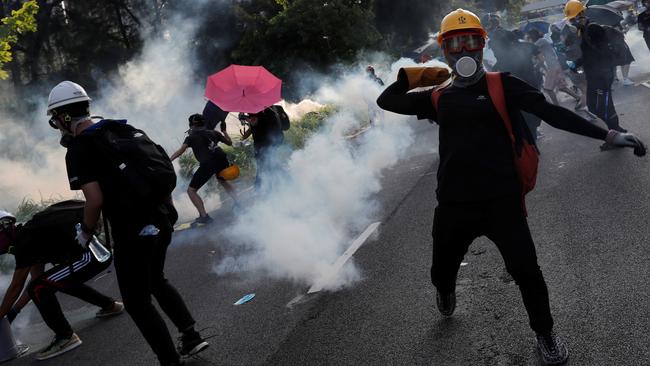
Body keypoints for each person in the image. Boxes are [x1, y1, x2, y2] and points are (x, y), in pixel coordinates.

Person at [375, 8, 646, 366]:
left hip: (502, 201)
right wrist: (417, 75)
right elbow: (387, 100)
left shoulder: (503, 85)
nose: (463, 50)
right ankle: (446, 290)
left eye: (471, 41)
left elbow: (554, 113)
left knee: (528, 272)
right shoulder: (438, 96)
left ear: (481, 45)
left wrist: (609, 133)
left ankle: (545, 334)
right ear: (445, 51)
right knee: (441, 271)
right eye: (455, 44)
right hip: (454, 205)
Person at [46, 81, 209, 366]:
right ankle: (191, 335)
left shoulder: (80, 148)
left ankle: (170, 361)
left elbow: (94, 200)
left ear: (64, 117)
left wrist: (85, 232)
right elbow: (156, 169)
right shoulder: (121, 128)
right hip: (160, 219)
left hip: (132, 231)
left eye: (55, 119)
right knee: (156, 280)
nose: (57, 125)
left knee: (136, 301)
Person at [0, 205, 123, 361]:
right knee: (51, 282)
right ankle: (111, 306)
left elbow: (16, 287)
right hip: (96, 253)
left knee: (41, 286)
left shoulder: (24, 241)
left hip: (91, 257)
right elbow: (37, 278)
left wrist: (0, 315)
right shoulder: (29, 234)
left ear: (3, 229)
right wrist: (13, 312)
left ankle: (65, 337)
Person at [565, 1, 629, 142]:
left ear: (582, 14)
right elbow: (589, 54)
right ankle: (616, 129)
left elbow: (602, 52)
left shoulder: (593, 28)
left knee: (604, 107)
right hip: (594, 74)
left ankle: (616, 135)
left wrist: (596, 65)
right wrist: (576, 63)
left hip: (602, 75)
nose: (572, 22)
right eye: (571, 20)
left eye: (573, 18)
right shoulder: (584, 30)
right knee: (594, 107)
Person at [170, 113, 238, 225]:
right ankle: (238, 203)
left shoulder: (190, 137)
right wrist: (224, 131)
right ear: (203, 123)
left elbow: (181, 151)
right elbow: (229, 143)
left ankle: (204, 216)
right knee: (223, 181)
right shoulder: (213, 133)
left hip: (208, 164)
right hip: (221, 159)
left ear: (191, 125)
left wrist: (169, 160)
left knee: (191, 191)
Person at [526, 29, 581, 105]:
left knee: (548, 89)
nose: (528, 37)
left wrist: (527, 42)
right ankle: (577, 97)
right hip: (554, 65)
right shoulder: (542, 40)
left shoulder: (540, 41)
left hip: (552, 67)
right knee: (561, 87)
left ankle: (556, 106)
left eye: (529, 36)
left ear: (532, 36)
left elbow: (531, 48)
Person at [239, 107, 286, 191]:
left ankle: (262, 187)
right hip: (271, 142)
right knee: (269, 164)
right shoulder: (267, 108)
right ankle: (280, 181)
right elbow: (253, 126)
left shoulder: (259, 111)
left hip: (264, 144)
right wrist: (245, 135)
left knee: (264, 165)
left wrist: (245, 118)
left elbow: (254, 122)